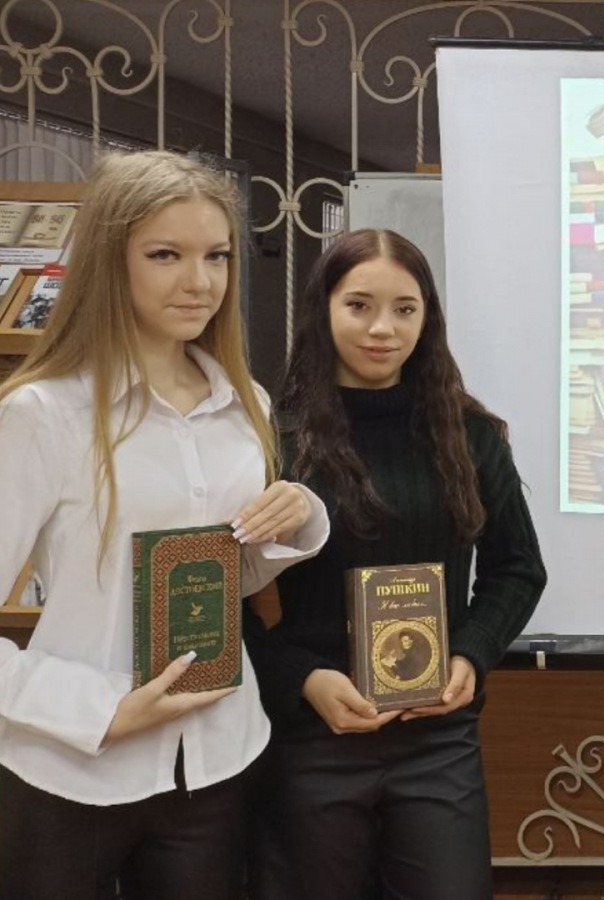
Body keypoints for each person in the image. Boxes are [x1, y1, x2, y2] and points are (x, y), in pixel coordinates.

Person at [0, 150, 329, 900]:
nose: (200, 281)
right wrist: (100, 708)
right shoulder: (43, 415)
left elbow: (221, 578)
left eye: (217, 256)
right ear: (108, 262)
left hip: (217, 759)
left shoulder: (246, 403)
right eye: (165, 255)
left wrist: (297, 520)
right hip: (69, 770)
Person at [244, 228, 547, 900]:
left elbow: (518, 569)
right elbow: (224, 599)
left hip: (436, 739)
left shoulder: (469, 436)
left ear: (427, 318)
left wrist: (470, 654)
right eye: (359, 306)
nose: (383, 328)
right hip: (311, 735)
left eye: (405, 309)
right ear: (323, 310)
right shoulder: (272, 440)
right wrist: (303, 680)